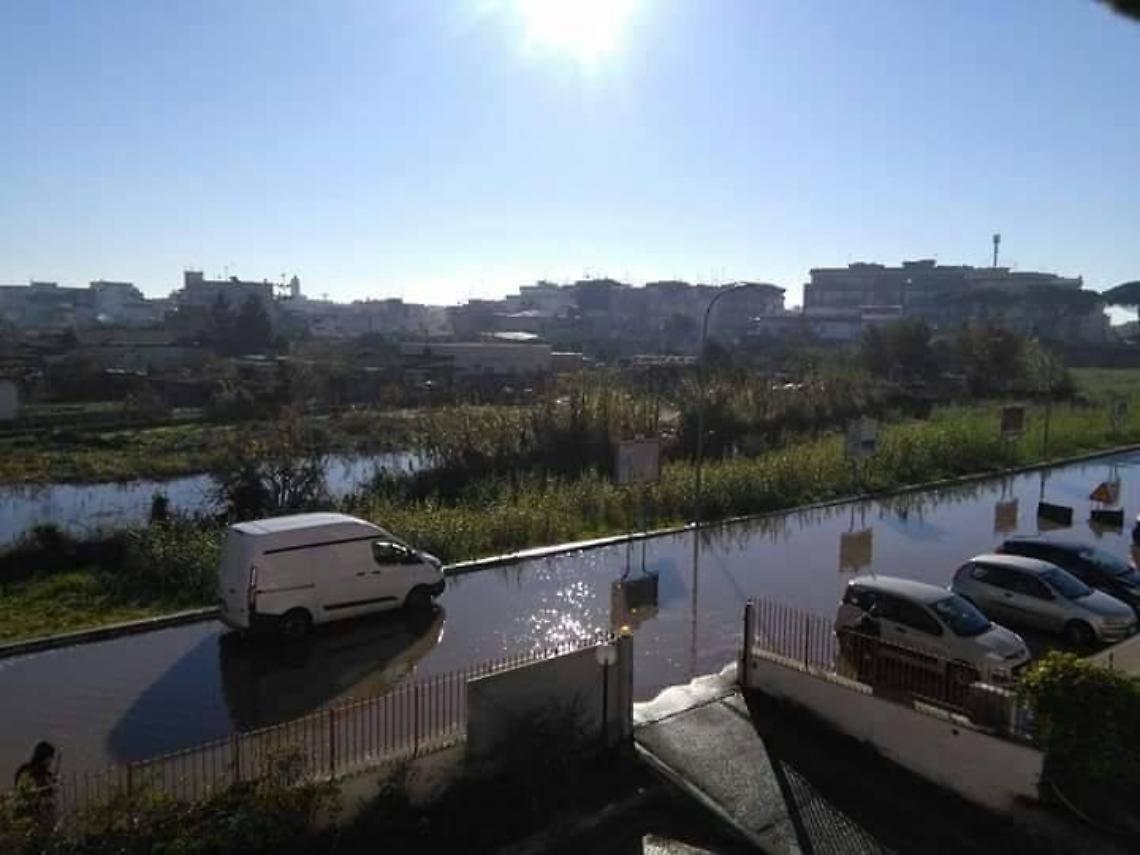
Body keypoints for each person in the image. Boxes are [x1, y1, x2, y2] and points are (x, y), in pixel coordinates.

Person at [13, 741, 58, 829]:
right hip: (27, 818)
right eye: (49, 758)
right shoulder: (27, 772)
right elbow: (26, 793)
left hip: (42, 818)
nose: (51, 762)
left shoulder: (44, 774)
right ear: (43, 757)